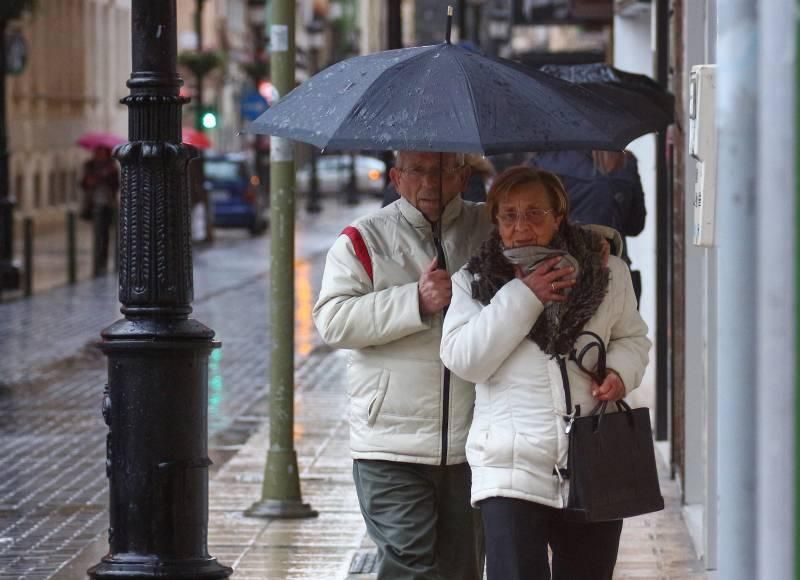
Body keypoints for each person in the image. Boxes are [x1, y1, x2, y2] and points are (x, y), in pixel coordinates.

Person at [440, 166, 651, 580]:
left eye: (536, 213)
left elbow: (632, 339)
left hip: (594, 459)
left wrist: (622, 373)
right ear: (496, 222)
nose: (522, 227)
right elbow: (465, 359)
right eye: (509, 215)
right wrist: (524, 295)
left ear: (559, 216)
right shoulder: (474, 281)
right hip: (509, 467)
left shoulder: (608, 273)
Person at [313, 151, 491, 580]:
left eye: (445, 170)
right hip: (390, 443)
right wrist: (415, 299)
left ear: (463, 176)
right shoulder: (363, 239)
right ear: (396, 177)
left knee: (462, 570)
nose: (432, 183)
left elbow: (550, 232)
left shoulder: (490, 227)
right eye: (418, 171)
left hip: (472, 439)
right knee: (408, 562)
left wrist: (604, 242)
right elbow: (333, 321)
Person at [532, 149, 646, 304]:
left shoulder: (544, 163)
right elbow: (635, 225)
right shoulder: (624, 161)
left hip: (563, 274)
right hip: (614, 272)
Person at [80, 146, 120, 276]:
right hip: (93, 204)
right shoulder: (89, 165)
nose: (99, 154)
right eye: (97, 151)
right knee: (98, 233)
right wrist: (89, 181)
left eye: (102, 152)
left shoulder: (112, 166)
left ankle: (103, 260)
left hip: (108, 204)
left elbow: (116, 185)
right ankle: (98, 261)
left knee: (106, 234)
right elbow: (82, 183)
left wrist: (106, 176)